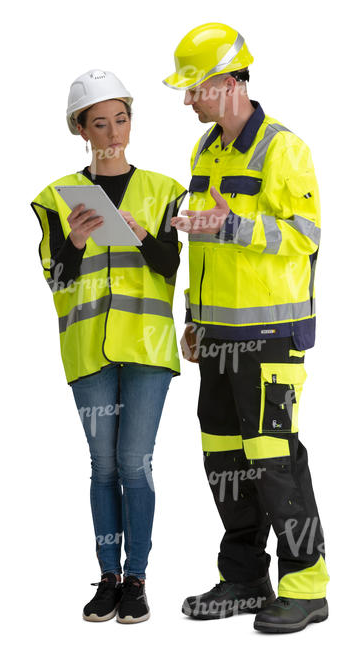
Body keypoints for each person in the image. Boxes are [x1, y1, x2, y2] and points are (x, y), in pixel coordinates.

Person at [164, 23, 329, 633]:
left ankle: (307, 584)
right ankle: (244, 579)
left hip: (271, 339)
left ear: (229, 83)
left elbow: (306, 237)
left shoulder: (285, 149)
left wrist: (232, 226)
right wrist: (193, 320)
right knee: (225, 458)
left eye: (195, 88)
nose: (188, 100)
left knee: (274, 459)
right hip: (217, 338)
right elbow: (202, 247)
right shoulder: (206, 151)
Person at [30, 69, 186, 624]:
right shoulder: (56, 198)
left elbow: (171, 269)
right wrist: (72, 242)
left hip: (147, 351)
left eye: (121, 119)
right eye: (100, 123)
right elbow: (57, 281)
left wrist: (143, 235)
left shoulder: (165, 191)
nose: (114, 132)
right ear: (81, 129)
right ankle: (108, 578)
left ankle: (138, 579)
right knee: (102, 468)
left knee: (133, 464)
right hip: (90, 352)